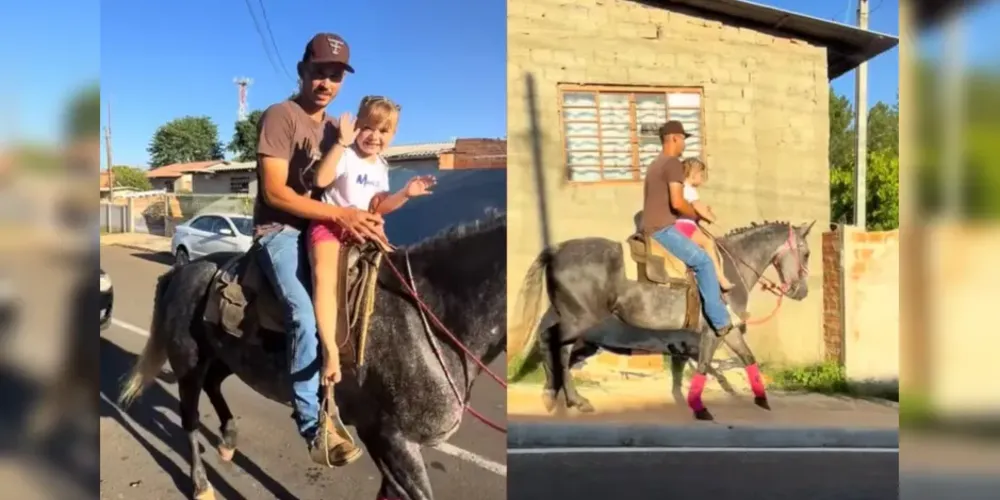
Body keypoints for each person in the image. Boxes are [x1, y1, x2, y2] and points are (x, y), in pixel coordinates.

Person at [253, 32, 386, 467]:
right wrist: (340, 216)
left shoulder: (337, 129)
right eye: (320, 72)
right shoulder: (281, 116)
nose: (327, 83)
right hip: (282, 230)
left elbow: (357, 177)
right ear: (302, 70)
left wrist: (370, 214)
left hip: (328, 228)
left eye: (336, 75)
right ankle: (314, 426)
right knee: (305, 315)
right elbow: (275, 194)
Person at [308, 95, 435, 389]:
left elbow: (378, 205)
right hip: (330, 226)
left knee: (401, 270)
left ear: (392, 135)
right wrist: (340, 143)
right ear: (357, 126)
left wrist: (405, 194)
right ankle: (330, 351)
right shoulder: (347, 155)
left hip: (364, 228)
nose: (374, 136)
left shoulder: (381, 165)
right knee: (324, 279)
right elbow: (321, 180)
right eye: (369, 127)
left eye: (383, 131)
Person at [640, 120, 734, 338]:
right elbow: (677, 202)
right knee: (703, 261)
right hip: (662, 228)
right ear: (674, 138)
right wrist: (693, 214)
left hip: (652, 225)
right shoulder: (673, 164)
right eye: (683, 139)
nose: (684, 144)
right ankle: (719, 320)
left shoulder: (655, 164)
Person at [674, 158, 735, 291]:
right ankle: (721, 278)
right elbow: (699, 207)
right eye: (701, 175)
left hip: (684, 224)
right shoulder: (689, 190)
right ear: (693, 174)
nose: (702, 179)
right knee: (708, 243)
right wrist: (713, 219)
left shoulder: (680, 188)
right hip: (685, 226)